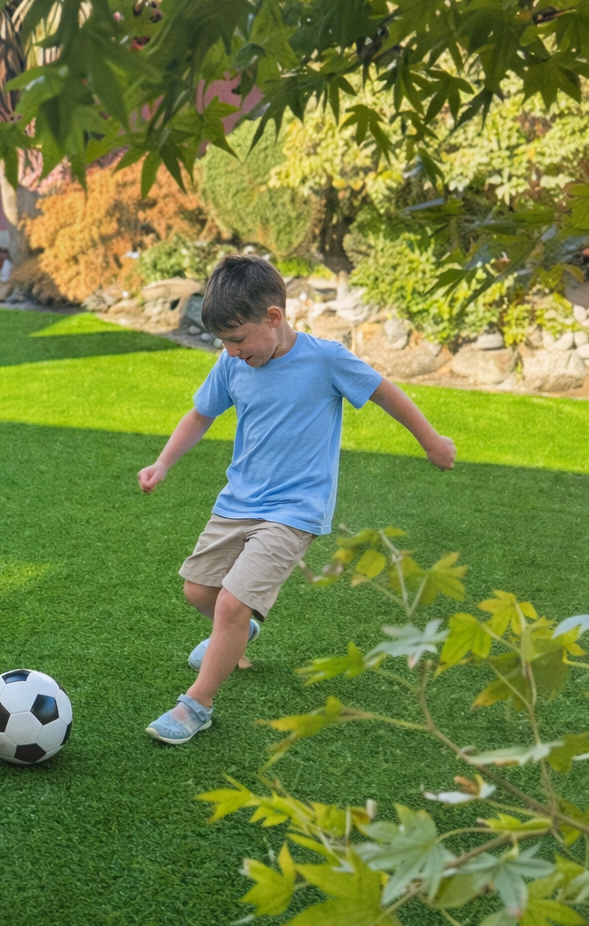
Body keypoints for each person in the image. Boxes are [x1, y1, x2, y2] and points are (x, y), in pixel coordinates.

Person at [137, 255, 456, 744]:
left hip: (294, 511)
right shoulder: (232, 364)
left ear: (274, 318)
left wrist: (430, 440)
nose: (233, 352)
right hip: (238, 499)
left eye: (239, 339)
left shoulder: (325, 360)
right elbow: (200, 415)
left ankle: (195, 705)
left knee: (228, 606)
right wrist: (163, 463)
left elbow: (384, 393)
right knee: (198, 593)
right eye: (225, 342)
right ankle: (239, 635)